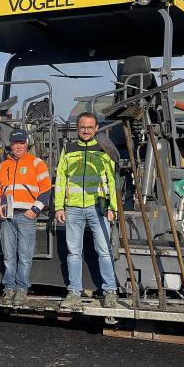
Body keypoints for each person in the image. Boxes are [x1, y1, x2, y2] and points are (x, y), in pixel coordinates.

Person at [55, 112, 118, 309]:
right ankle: (74, 292)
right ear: (77, 128)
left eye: (90, 127)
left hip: (97, 207)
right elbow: (60, 179)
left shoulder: (103, 149)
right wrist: (58, 206)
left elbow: (111, 180)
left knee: (105, 251)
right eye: (83, 127)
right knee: (73, 253)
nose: (86, 130)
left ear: (96, 128)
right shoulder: (69, 149)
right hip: (73, 208)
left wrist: (112, 207)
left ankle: (110, 292)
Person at [0, 128, 51, 305]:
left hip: (27, 216)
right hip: (6, 216)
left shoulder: (37, 163)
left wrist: (35, 210)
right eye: (16, 143)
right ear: (11, 144)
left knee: (24, 255)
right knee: (9, 255)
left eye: (22, 143)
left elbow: (46, 190)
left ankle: (22, 289)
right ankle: (9, 288)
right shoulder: (2, 166)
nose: (19, 146)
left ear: (26, 144)